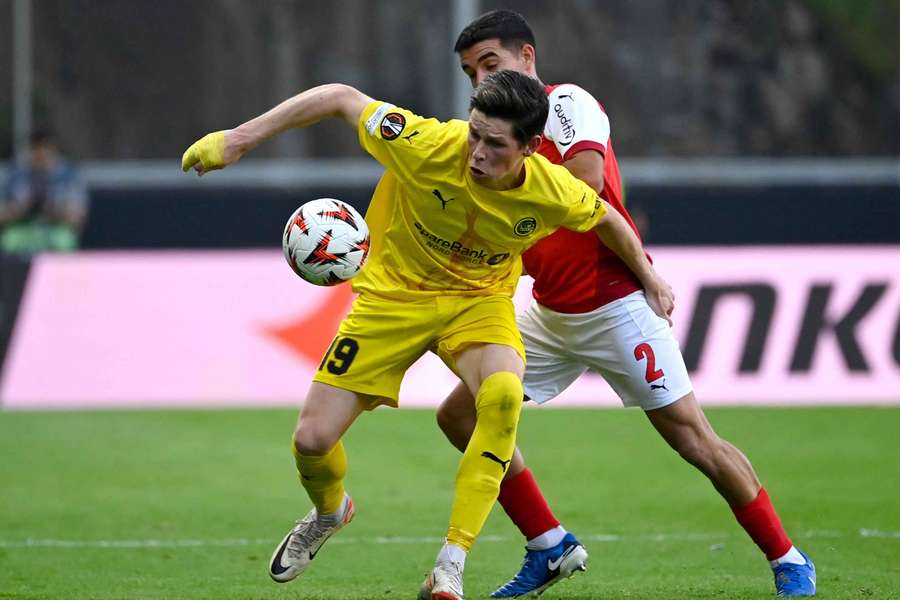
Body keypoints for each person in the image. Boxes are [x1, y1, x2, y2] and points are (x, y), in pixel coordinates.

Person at [181, 70, 673, 600]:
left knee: (503, 395)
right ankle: (330, 511)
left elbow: (606, 219)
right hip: (392, 301)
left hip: (478, 305)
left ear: (532, 148)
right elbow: (341, 97)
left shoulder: (553, 188)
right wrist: (237, 139)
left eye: (494, 143)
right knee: (311, 441)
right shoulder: (427, 144)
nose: (477, 152)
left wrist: (650, 276)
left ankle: (451, 562)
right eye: (475, 132)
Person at [422, 9, 817, 599]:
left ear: (527, 58)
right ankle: (549, 545)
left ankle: (789, 559)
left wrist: (500, 186)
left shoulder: (565, 105)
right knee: (458, 416)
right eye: (471, 71)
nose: (480, 80)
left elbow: (581, 186)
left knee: (694, 442)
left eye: (491, 64)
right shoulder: (489, 140)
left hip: (615, 304)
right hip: (551, 313)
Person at [0, 129, 89, 255]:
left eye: (44, 150)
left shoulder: (68, 175)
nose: (40, 156)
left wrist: (52, 209)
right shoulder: (15, 174)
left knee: (63, 241)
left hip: (54, 229)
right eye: (35, 150)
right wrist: (21, 208)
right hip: (23, 228)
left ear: (52, 150)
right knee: (9, 240)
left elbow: (78, 218)